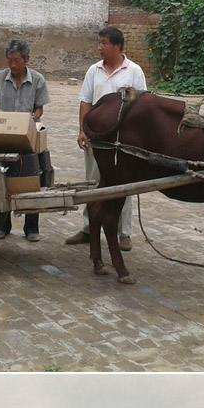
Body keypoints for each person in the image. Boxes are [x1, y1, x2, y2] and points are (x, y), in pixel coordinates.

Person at [66, 26, 147, 251]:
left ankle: (124, 233)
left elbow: (141, 105)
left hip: (123, 141)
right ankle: (87, 228)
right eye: (99, 42)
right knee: (92, 183)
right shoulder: (94, 70)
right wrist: (83, 130)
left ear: (117, 45)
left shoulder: (134, 71)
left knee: (124, 186)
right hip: (96, 137)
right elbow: (85, 101)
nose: (99, 47)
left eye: (104, 43)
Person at [0, 37, 49, 242]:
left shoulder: (38, 80)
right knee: (2, 181)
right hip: (4, 136)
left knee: (31, 180)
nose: (13, 65)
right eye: (10, 60)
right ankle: (2, 226)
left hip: (28, 137)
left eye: (17, 60)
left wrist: (32, 119)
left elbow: (39, 108)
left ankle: (31, 227)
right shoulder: (0, 77)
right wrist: (2, 117)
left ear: (26, 59)